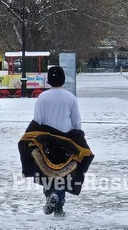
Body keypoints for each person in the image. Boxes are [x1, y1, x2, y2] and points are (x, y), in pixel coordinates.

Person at [18, 66, 94, 217]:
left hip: (46, 140)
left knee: (45, 170)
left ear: (49, 80)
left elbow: (37, 120)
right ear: (63, 79)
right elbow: (76, 122)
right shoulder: (70, 98)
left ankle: (49, 194)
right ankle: (59, 205)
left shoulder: (42, 98)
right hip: (65, 141)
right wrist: (78, 139)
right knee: (62, 172)